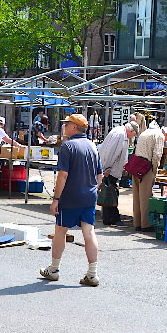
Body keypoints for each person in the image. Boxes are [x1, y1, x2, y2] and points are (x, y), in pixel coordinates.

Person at [40, 114, 102, 286]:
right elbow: (100, 175)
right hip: (89, 197)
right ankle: (92, 273)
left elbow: (63, 175)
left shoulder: (68, 146)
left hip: (69, 196)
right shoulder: (92, 146)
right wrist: (92, 190)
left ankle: (54, 269)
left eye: (67, 124)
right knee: (89, 232)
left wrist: (56, 199)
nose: (64, 127)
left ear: (74, 127)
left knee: (60, 231)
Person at [98, 120, 139, 226]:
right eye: (133, 134)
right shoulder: (120, 134)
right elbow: (111, 153)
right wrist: (107, 168)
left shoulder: (121, 133)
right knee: (110, 193)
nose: (132, 137)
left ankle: (110, 218)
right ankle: (113, 218)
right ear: (130, 130)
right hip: (111, 169)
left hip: (112, 169)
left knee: (110, 192)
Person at [130, 119, 166, 231]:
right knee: (145, 197)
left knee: (136, 196)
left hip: (136, 164)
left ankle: (137, 223)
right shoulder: (159, 135)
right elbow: (157, 154)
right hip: (146, 166)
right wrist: (155, 170)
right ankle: (146, 224)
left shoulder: (144, 133)